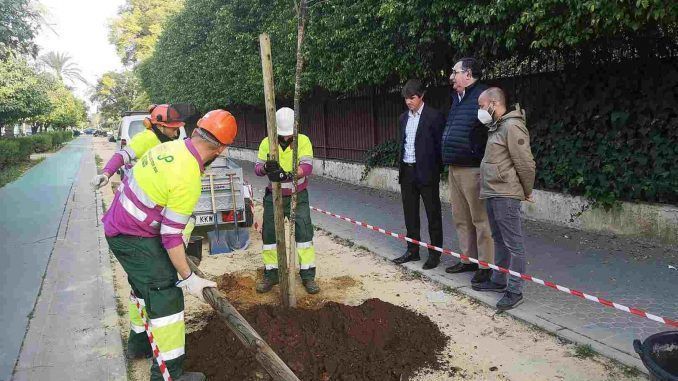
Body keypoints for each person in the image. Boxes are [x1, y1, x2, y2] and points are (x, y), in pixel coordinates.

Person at [102, 109, 238, 381]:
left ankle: (139, 346)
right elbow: (170, 236)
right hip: (133, 237)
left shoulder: (170, 148)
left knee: (143, 287)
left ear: (197, 129)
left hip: (118, 225)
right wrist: (189, 279)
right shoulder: (188, 176)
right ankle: (169, 375)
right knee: (166, 293)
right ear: (222, 149)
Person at [471, 87, 536, 312]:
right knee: (499, 239)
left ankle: (515, 290)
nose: (479, 110)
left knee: (514, 244)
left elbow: (525, 163)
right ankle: (499, 280)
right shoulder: (496, 126)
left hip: (506, 194)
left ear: (494, 104)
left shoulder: (512, 126)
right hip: (493, 192)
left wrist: (527, 191)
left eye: (481, 106)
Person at [254, 107, 319, 294]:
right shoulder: (267, 142)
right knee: (270, 235)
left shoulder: (303, 141)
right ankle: (272, 273)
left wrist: (289, 175)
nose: (285, 138)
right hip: (273, 197)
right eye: (283, 135)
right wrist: (266, 167)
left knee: (304, 234)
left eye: (288, 134)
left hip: (298, 196)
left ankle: (308, 276)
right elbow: (257, 169)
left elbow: (306, 167)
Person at [441, 57, 494, 285]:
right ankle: (468, 258)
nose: (452, 76)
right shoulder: (458, 98)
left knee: (480, 219)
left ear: (468, 74)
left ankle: (486, 265)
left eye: (455, 72)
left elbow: (493, 131)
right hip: (455, 166)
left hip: (473, 168)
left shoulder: (483, 96)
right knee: (461, 217)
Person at [391, 79, 445, 269]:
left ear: (421, 96)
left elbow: (440, 146)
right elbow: (402, 144)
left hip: (428, 173)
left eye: (412, 98)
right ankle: (412, 250)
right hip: (407, 171)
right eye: (406, 98)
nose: (408, 102)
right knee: (410, 214)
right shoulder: (403, 118)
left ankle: (434, 253)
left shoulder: (434, 116)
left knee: (433, 214)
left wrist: (436, 170)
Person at [91, 104, 186, 189]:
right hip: (139, 192)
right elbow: (121, 156)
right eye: (174, 129)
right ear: (160, 126)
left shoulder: (165, 140)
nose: (176, 132)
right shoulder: (145, 139)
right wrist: (106, 174)